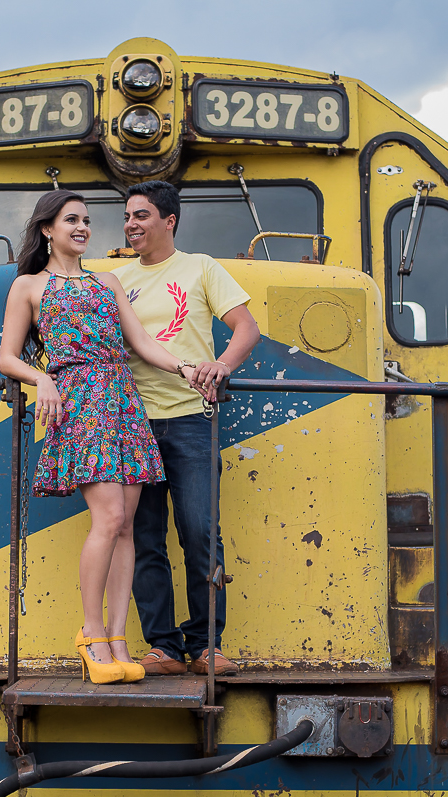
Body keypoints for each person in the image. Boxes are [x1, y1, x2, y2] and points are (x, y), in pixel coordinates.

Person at [0, 189, 209, 685]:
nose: (83, 228)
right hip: (77, 401)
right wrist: (42, 377)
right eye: (72, 220)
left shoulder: (107, 281)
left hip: (122, 403)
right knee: (108, 516)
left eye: (87, 221)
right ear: (47, 229)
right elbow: (7, 357)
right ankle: (92, 634)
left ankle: (118, 639)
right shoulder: (28, 286)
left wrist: (187, 367)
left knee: (127, 526)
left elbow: (142, 343)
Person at [113, 180, 261, 677]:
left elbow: (247, 327)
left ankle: (206, 644)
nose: (131, 224)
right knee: (142, 535)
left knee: (200, 532)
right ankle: (163, 647)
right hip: (131, 426)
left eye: (141, 216)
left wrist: (221, 365)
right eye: (128, 216)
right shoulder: (115, 279)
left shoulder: (200, 267)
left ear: (169, 220)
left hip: (192, 419)